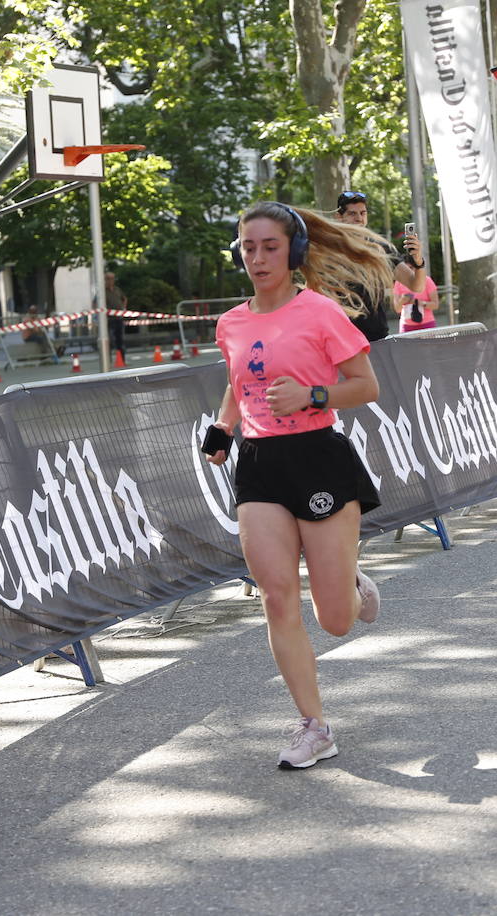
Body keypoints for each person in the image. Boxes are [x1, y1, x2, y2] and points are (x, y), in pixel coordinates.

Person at [203, 201, 392, 769]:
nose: (257, 258)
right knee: (277, 596)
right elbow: (239, 383)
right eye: (249, 248)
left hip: (318, 456)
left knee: (333, 619)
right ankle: (314, 726)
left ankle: (351, 584)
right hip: (260, 465)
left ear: (294, 253)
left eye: (270, 247)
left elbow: (366, 386)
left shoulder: (321, 313)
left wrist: (313, 395)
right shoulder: (231, 322)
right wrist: (223, 427)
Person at [334, 190, 428, 340]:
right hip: (341, 339)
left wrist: (418, 261)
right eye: (352, 214)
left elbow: (416, 286)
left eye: (363, 213)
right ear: (339, 217)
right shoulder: (328, 249)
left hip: (376, 338)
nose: (359, 218)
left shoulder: (381, 247)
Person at [105, 271, 128, 359]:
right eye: (108, 279)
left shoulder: (117, 289)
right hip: (109, 319)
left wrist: (123, 308)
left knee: (120, 339)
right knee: (110, 340)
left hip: (119, 318)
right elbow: (95, 303)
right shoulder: (103, 291)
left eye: (112, 279)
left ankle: (122, 359)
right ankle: (108, 359)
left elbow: (124, 298)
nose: (110, 281)